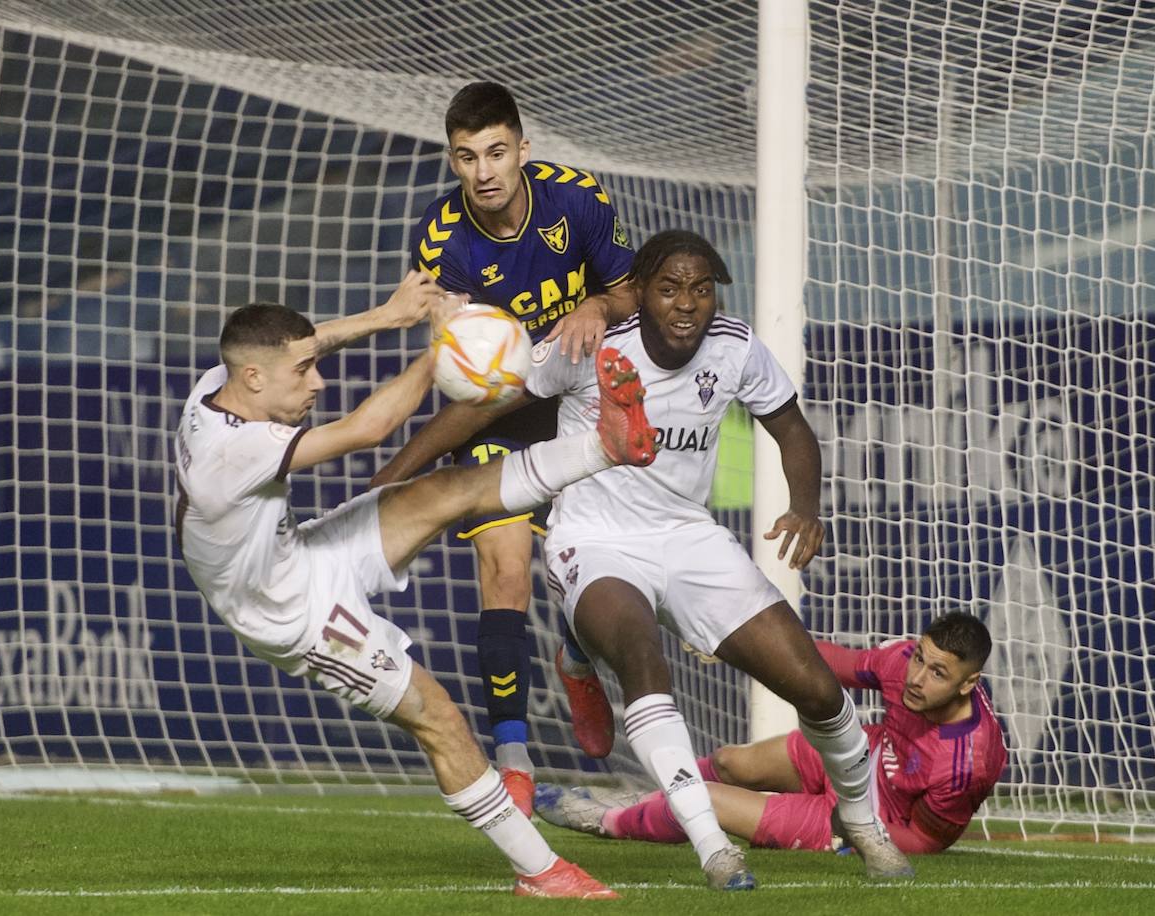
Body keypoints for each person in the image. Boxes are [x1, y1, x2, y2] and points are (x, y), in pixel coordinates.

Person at [372, 230, 916, 890]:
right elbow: (486, 404)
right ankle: (714, 847)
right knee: (641, 657)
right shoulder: (589, 345)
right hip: (595, 541)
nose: (687, 304)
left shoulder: (735, 346)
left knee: (816, 689)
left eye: (701, 290)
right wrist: (394, 482)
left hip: (688, 537)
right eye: (669, 289)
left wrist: (806, 505)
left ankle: (865, 827)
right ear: (640, 295)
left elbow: (792, 425)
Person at [172, 269, 659, 899]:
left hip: (295, 550)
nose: (317, 380)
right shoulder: (231, 453)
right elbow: (369, 429)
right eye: (303, 375)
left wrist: (387, 314)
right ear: (255, 380)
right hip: (293, 610)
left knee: (444, 490)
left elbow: (301, 343)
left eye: (311, 366)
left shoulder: (221, 381)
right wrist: (442, 348)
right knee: (439, 719)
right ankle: (541, 872)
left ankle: (606, 446)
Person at [372, 81, 636, 807]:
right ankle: (512, 763)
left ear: (523, 148)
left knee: (590, 570)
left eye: (496, 152)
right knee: (506, 568)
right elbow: (463, 363)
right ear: (452, 163)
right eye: (466, 158)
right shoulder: (441, 239)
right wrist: (452, 345)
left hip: (585, 397)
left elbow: (630, 294)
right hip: (503, 411)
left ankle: (578, 658)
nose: (483, 171)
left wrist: (591, 302)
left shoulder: (577, 197)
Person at [536, 612, 1006, 861]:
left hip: (868, 818)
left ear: (969, 683)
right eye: (920, 657)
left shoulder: (970, 763)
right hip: (856, 756)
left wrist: (856, 833)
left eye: (938, 672)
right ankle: (644, 801)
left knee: (711, 800)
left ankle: (605, 820)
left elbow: (927, 841)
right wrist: (735, 647)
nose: (917, 677)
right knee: (730, 763)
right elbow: (829, 662)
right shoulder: (903, 662)